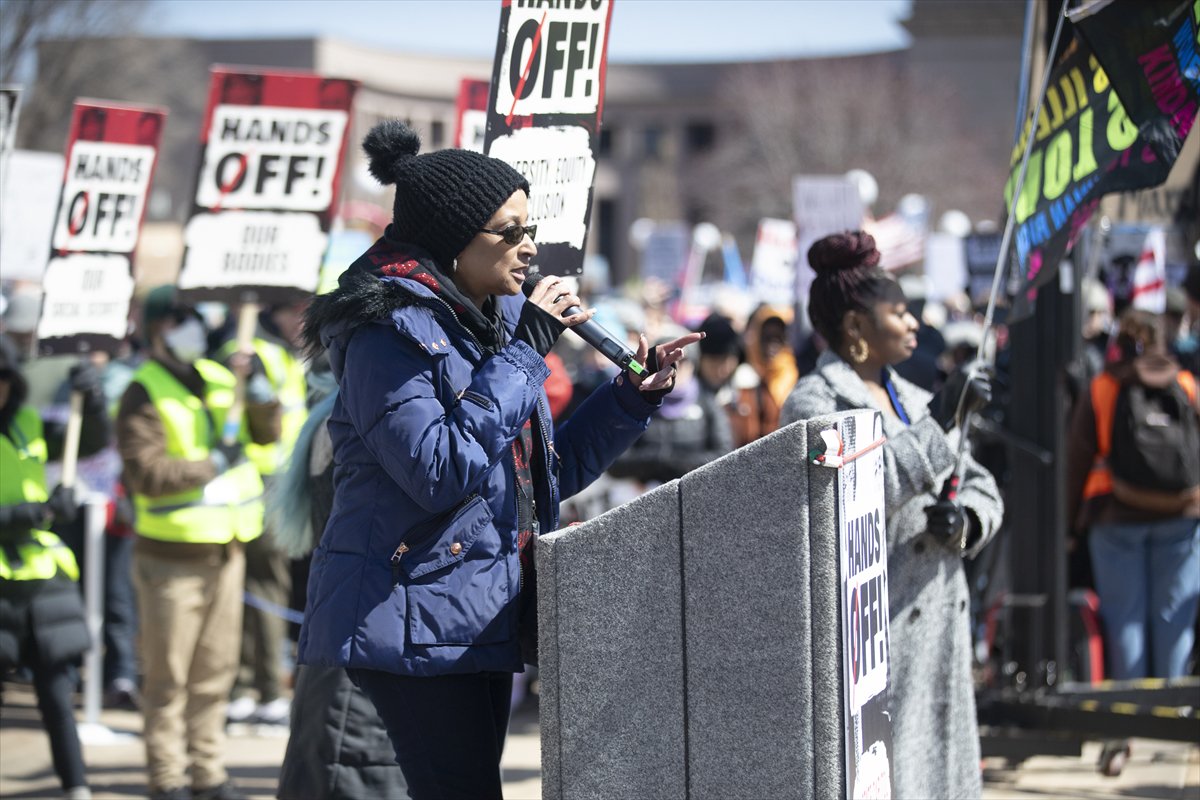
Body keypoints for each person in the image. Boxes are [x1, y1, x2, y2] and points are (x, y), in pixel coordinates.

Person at [296, 120, 698, 799]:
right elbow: (438, 472)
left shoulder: (497, 325)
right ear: (452, 242)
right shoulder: (383, 332)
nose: (529, 247)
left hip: (478, 609)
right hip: (408, 614)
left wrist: (629, 398)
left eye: (528, 228)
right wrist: (525, 352)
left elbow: (546, 477)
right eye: (509, 233)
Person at [780, 231, 1002, 800]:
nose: (913, 324)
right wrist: (940, 424)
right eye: (898, 312)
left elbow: (981, 485)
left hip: (940, 625)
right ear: (856, 326)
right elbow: (840, 499)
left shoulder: (915, 397)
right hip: (873, 636)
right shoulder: (815, 401)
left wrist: (966, 520)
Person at [115, 285, 280, 800]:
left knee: (215, 673)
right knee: (167, 677)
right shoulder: (142, 390)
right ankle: (167, 778)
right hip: (170, 559)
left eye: (192, 317)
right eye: (178, 318)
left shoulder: (218, 374)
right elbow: (146, 474)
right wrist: (212, 464)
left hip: (226, 551)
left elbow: (266, 432)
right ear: (156, 329)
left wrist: (259, 390)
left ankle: (208, 773)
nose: (191, 327)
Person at [0, 334, 108, 800]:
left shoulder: (27, 422)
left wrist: (93, 400)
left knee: (58, 694)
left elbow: (88, 442)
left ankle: (76, 787)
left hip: (42, 580)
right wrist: (33, 513)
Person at [1066, 308, 1200, 681]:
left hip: (1116, 517)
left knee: (1125, 621)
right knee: (1174, 621)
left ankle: (1131, 709)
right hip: (1182, 517)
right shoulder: (1186, 385)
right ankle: (1171, 707)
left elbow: (1076, 464)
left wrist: (1070, 527)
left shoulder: (1103, 387)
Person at [216, 300, 309, 728]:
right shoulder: (251, 352)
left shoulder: (286, 354)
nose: (302, 321)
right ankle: (257, 690)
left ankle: (257, 688)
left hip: (277, 483)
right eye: (296, 312)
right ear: (276, 313)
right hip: (255, 484)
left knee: (263, 587)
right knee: (256, 587)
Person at [729, 303, 798, 447]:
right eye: (766, 338)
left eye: (778, 338)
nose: (772, 345)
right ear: (757, 338)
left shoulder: (795, 377)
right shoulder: (745, 379)